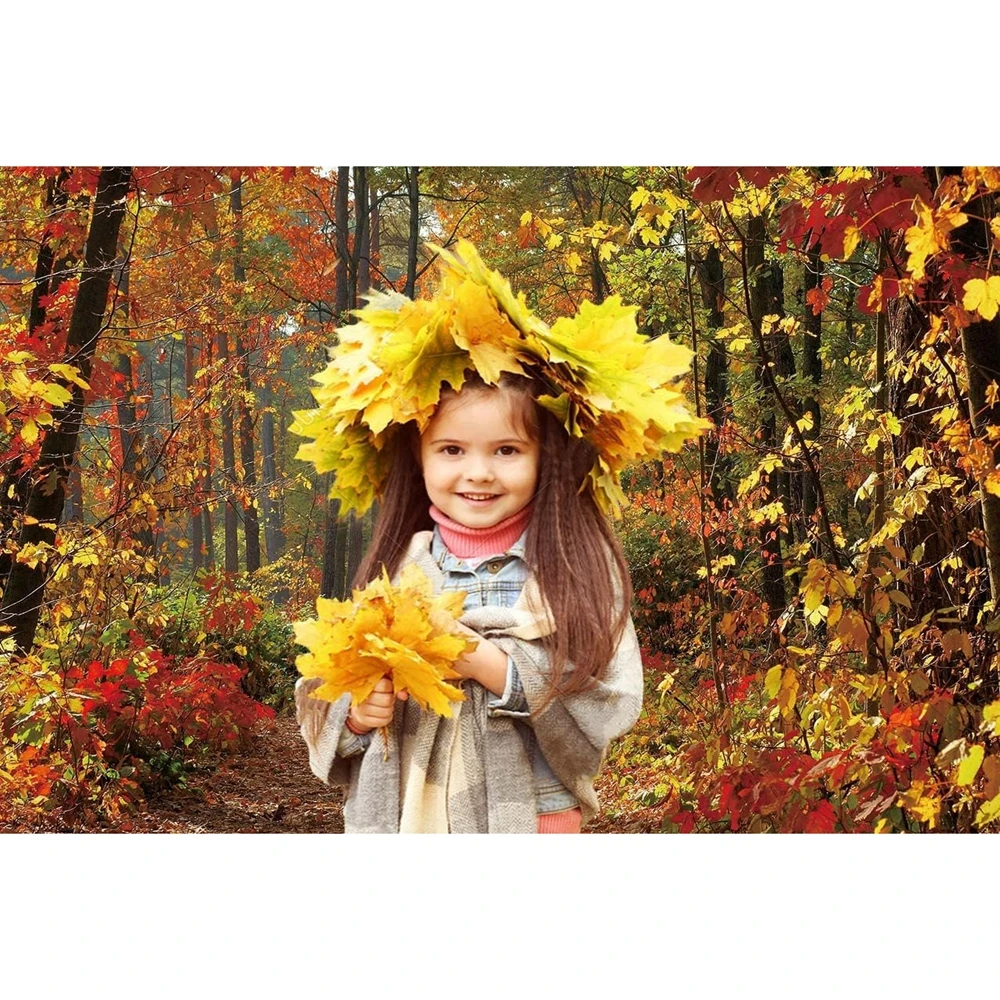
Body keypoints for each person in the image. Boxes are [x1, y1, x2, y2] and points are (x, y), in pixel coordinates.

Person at [296, 370, 644, 833]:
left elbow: (605, 699)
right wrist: (359, 716)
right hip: (411, 812)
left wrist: (482, 660)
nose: (479, 472)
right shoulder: (399, 568)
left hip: (534, 812)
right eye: (452, 450)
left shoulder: (571, 564)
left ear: (546, 457)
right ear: (418, 456)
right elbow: (333, 682)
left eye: (507, 450)